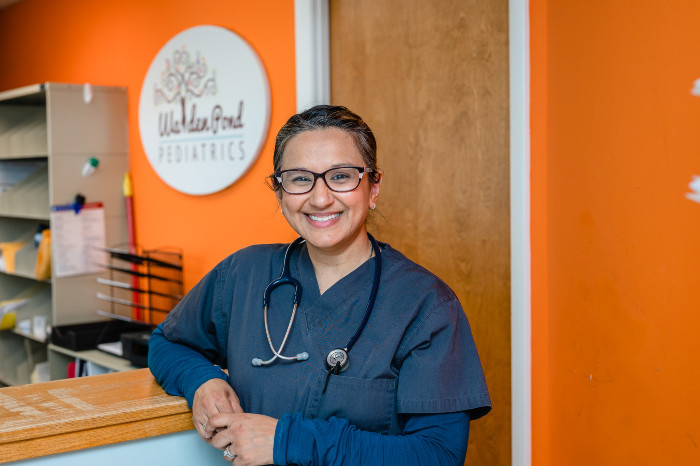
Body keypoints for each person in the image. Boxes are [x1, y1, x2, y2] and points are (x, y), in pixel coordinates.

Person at [148, 105, 491, 466]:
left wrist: (287, 441)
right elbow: (167, 342)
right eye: (299, 179)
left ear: (373, 188)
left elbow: (438, 455)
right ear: (280, 195)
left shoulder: (426, 305)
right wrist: (201, 380)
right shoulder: (243, 273)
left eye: (341, 176)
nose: (320, 197)